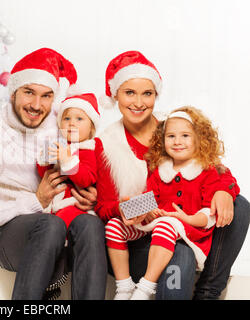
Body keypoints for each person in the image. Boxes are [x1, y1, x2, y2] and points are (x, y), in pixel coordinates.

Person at [95, 50, 249, 299]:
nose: (138, 102)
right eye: (129, 93)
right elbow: (103, 207)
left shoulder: (174, 127)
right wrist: (127, 208)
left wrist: (223, 190)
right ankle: (138, 287)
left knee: (239, 204)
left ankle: (208, 290)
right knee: (180, 254)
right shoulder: (106, 144)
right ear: (115, 95)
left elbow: (212, 168)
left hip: (180, 221)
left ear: (156, 95)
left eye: (147, 93)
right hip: (140, 234)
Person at [0, 48, 107, 300]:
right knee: (50, 224)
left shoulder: (63, 123)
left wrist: (92, 197)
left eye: (46, 96)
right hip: (8, 234)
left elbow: (89, 162)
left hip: (64, 224)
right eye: (29, 93)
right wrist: (35, 201)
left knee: (90, 225)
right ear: (13, 92)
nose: (37, 105)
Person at [105, 106, 227, 299]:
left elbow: (209, 215)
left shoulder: (206, 171)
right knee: (114, 225)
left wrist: (187, 218)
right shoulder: (160, 169)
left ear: (199, 139)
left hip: (189, 229)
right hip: (160, 226)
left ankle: (146, 287)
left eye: (185, 136)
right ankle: (124, 286)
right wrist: (143, 210)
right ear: (163, 140)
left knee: (166, 225)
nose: (177, 142)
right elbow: (149, 198)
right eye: (171, 136)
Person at [37, 93, 101, 228]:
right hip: (54, 204)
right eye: (66, 118)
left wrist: (67, 161)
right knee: (46, 225)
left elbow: (86, 179)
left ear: (91, 128)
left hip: (74, 204)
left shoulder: (87, 150)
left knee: (60, 222)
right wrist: (44, 160)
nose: (71, 123)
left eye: (79, 119)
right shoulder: (59, 145)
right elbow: (44, 175)